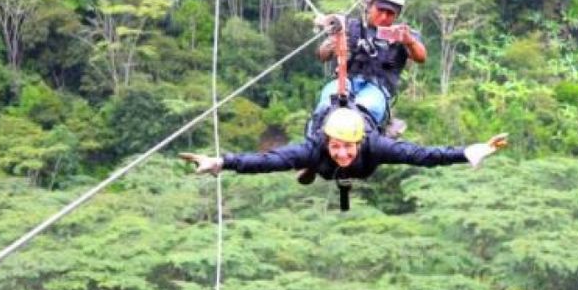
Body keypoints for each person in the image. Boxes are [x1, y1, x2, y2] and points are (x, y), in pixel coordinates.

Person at [179, 104, 508, 186]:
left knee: (374, 103)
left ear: (359, 142)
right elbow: (267, 161)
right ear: (327, 141)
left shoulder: (375, 146)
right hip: (320, 159)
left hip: (364, 146)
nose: (342, 153)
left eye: (347, 148)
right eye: (336, 147)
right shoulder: (316, 146)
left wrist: (468, 152)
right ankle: (311, 166)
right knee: (325, 107)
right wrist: (221, 162)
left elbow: (422, 155)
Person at [314, 0, 426, 133]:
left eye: (390, 14)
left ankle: (360, 139)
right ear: (369, 6)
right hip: (345, 81)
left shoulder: (402, 35)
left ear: (397, 15)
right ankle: (316, 138)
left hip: (377, 89)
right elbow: (322, 55)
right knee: (326, 105)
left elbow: (421, 56)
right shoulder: (350, 26)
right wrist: (334, 42)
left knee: (366, 109)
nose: (383, 17)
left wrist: (409, 42)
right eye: (380, 10)